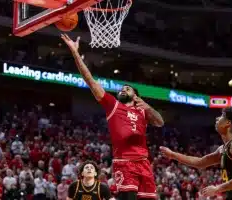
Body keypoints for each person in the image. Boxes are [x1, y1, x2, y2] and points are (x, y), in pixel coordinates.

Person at [61, 34, 164, 200]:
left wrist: (146, 105)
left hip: (144, 162)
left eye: (127, 89)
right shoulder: (114, 105)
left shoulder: (143, 111)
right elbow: (90, 81)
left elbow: (159, 122)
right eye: (122, 89)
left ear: (136, 96)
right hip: (124, 162)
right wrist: (75, 53)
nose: (123, 90)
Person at [160, 107, 232, 200]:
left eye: (222, 116)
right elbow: (200, 163)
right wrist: (173, 155)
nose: (217, 118)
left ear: (228, 123)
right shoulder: (223, 148)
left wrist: (218, 188)